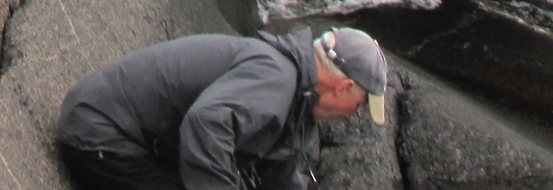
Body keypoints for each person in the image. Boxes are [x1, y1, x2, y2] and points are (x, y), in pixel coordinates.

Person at [54, 27, 388, 190]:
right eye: (360, 103)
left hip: (126, 137)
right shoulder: (277, 79)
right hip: (102, 135)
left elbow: (278, 173)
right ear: (343, 86)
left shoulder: (297, 94)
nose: (356, 112)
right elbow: (207, 123)